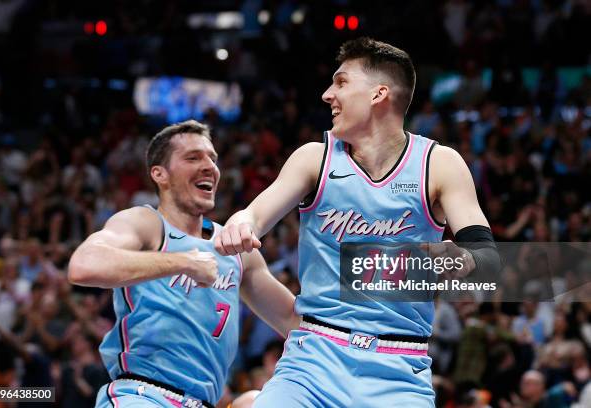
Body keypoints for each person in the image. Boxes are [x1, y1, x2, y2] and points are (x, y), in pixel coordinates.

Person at [215, 37, 500, 406]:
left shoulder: (439, 164)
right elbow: (254, 214)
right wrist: (240, 224)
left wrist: (451, 259)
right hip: (313, 360)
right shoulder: (313, 158)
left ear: (379, 94)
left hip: (398, 368)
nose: (327, 94)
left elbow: (487, 259)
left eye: (341, 82)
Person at [68, 120, 299, 408]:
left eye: (212, 159)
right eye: (193, 158)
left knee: (255, 401)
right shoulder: (146, 224)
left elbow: (294, 321)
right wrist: (183, 262)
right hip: (144, 395)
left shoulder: (236, 249)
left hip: (202, 403)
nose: (209, 167)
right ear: (160, 174)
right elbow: (84, 265)